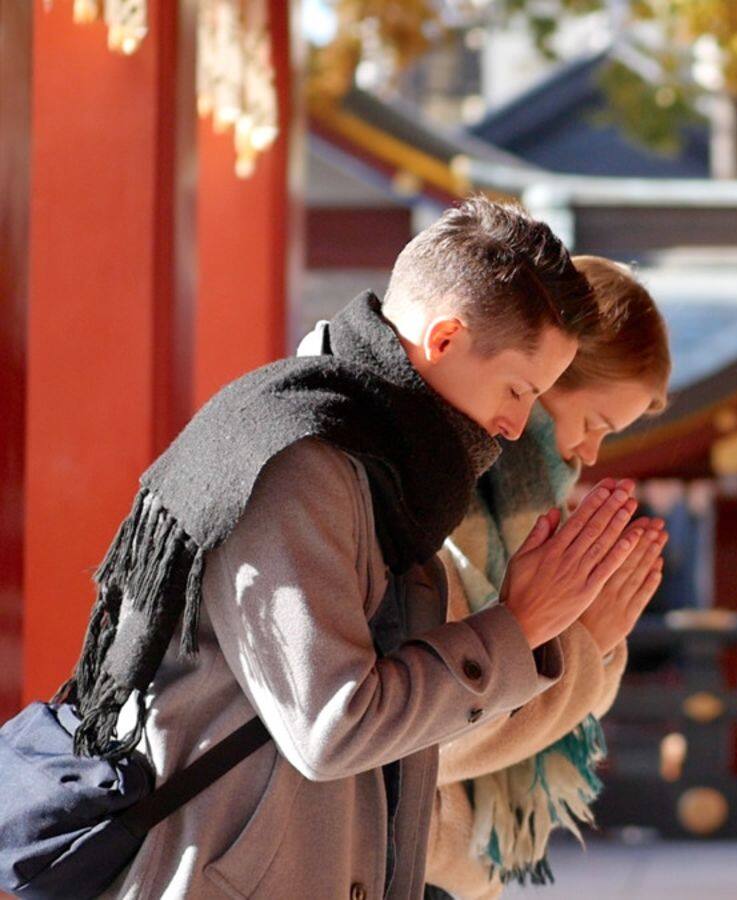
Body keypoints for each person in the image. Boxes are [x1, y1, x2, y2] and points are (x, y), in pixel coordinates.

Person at [70, 197, 648, 899]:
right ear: (443, 340)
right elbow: (332, 728)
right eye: (518, 389)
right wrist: (520, 626)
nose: (517, 424)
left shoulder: (391, 468)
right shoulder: (299, 460)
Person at [424, 257, 671, 898]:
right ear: (542, 376)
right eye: (593, 422)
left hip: (466, 872)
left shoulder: (532, 518)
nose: (590, 453)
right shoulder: (433, 514)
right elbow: (427, 743)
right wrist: (582, 646)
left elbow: (572, 704)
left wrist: (596, 644)